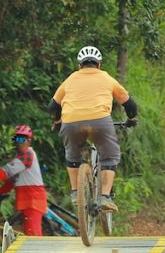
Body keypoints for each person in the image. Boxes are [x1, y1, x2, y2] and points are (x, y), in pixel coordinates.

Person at [48, 45, 138, 212]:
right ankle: (105, 197)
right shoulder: (107, 78)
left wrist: (58, 121)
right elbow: (129, 104)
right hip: (100, 122)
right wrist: (131, 119)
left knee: (72, 154)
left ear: (79, 65)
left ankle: (75, 192)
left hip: (71, 122)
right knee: (110, 156)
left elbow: (53, 106)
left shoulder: (70, 79)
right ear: (99, 65)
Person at [0, 125, 48, 236]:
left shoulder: (27, 154)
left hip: (33, 200)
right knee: (29, 233)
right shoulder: (20, 158)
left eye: (22, 139)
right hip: (27, 201)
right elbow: (12, 180)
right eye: (16, 139)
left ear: (29, 141)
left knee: (33, 235)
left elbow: (8, 170)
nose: (18, 142)